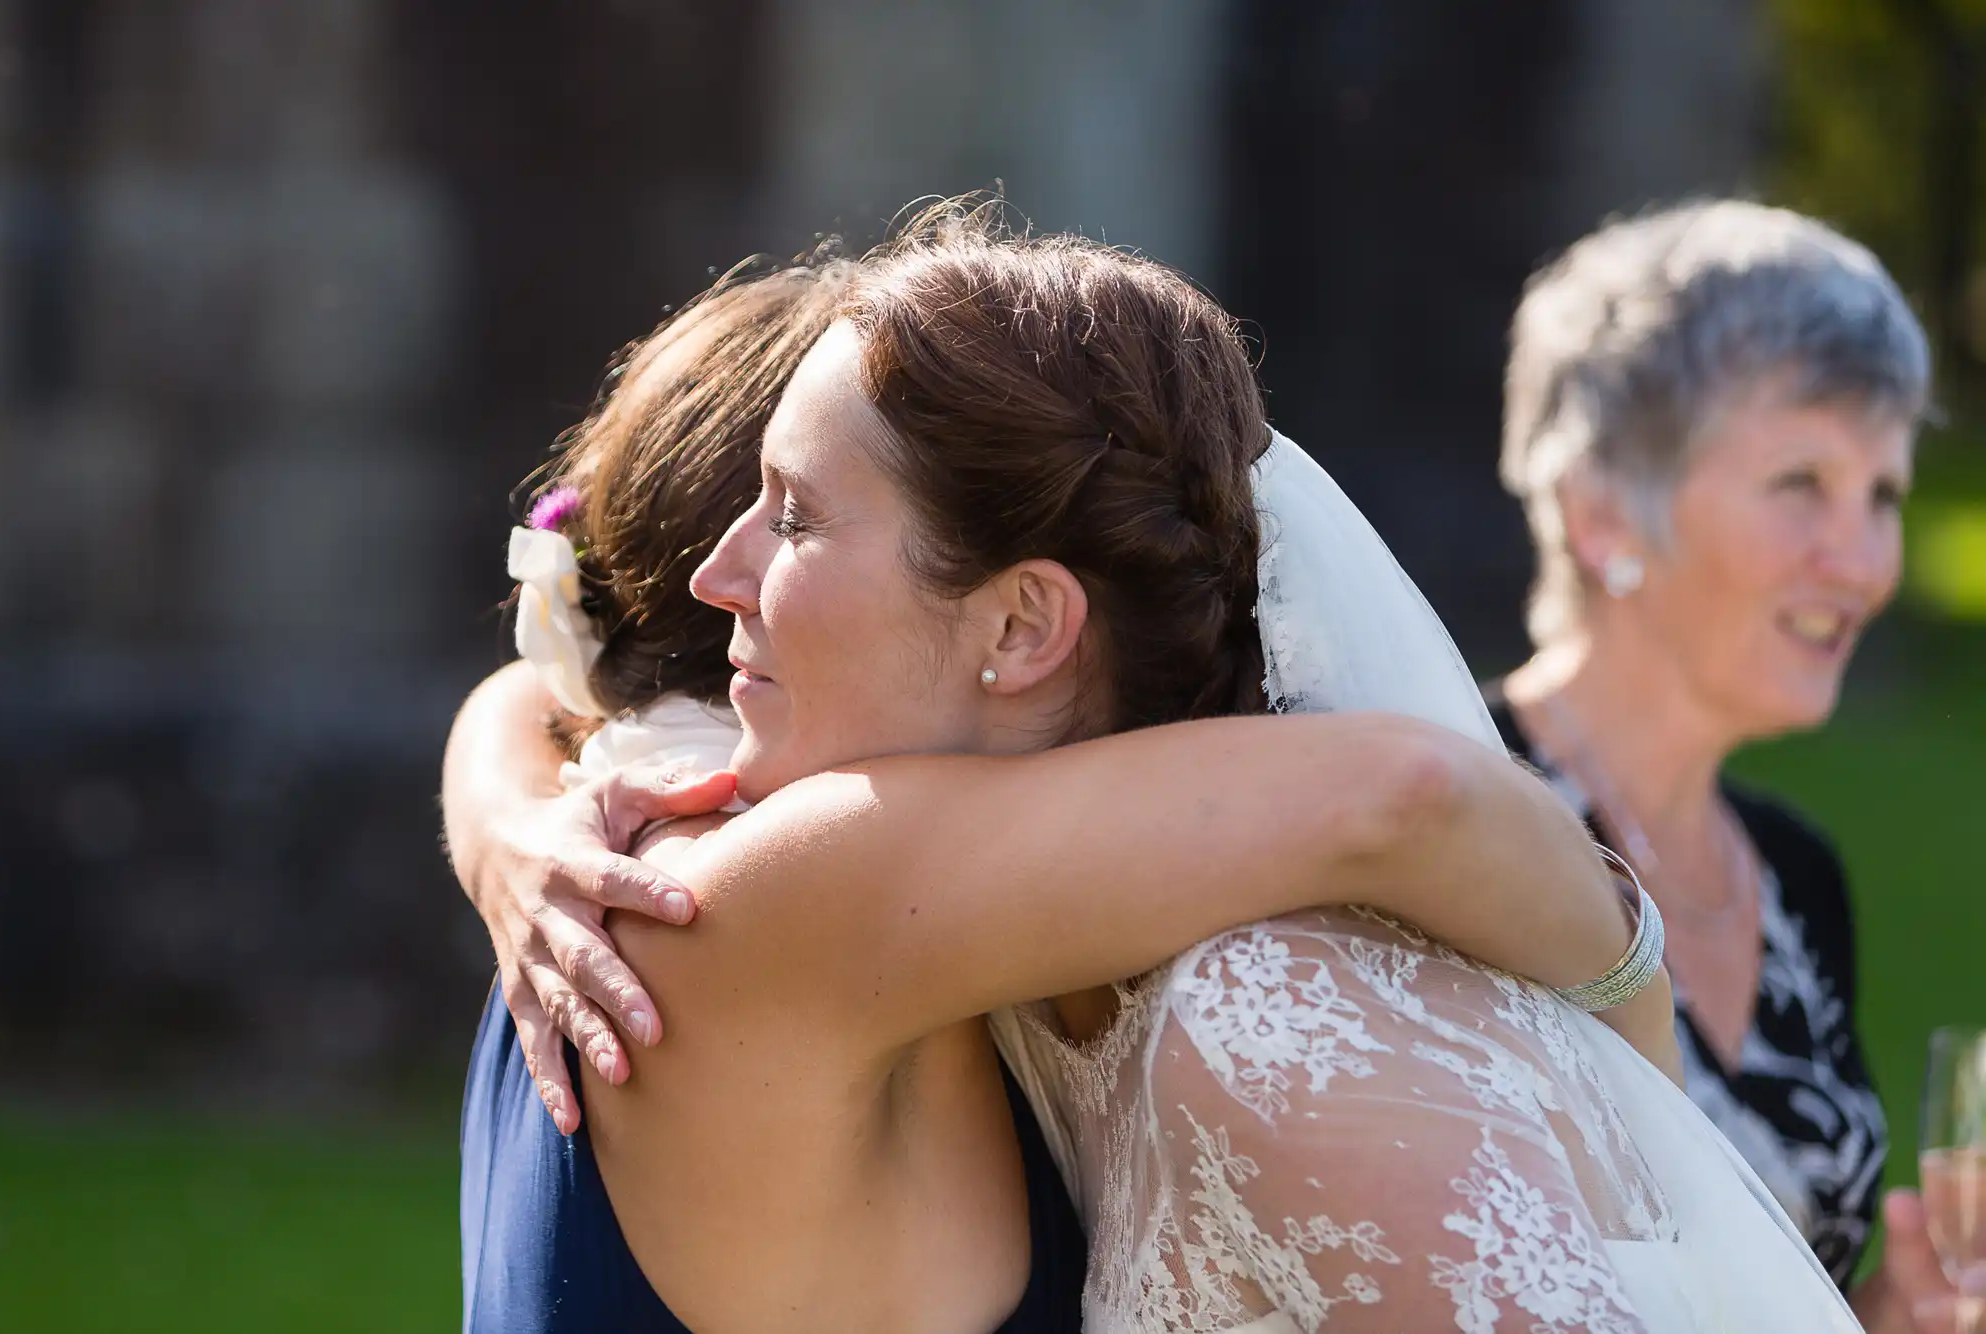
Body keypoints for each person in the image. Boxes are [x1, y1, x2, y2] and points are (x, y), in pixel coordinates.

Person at [448, 216, 1679, 1333]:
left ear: (1022, 625)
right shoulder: (768, 886)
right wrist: (1635, 1013)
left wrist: (501, 815)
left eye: (795, 515)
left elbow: (526, 699)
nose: (732, 576)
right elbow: (1403, 793)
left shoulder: (626, 823)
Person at [1490, 199, 1973, 1331]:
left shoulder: (1796, 877)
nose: (1858, 561)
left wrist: (1882, 1316)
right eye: (1799, 482)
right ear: (1602, 511)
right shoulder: (1448, 805)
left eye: (1884, 493)